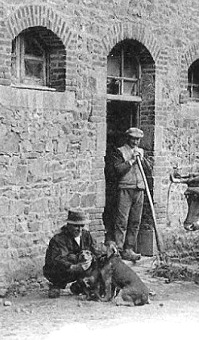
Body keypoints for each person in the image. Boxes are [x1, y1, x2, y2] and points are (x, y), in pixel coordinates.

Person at [105, 127, 153, 261]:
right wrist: (131, 161)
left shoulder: (141, 152)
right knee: (122, 220)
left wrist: (143, 160)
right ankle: (118, 249)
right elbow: (118, 170)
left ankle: (129, 248)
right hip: (125, 188)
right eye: (133, 139)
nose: (135, 142)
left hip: (139, 189)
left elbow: (149, 170)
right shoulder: (119, 151)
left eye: (138, 139)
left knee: (135, 221)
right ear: (128, 138)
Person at [43, 209, 100, 298]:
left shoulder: (86, 235)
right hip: (62, 269)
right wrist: (74, 266)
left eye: (82, 226)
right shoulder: (58, 239)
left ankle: (79, 285)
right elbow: (57, 259)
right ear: (69, 225)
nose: (79, 229)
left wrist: (91, 258)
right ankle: (56, 285)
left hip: (81, 268)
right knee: (58, 269)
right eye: (76, 226)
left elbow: (95, 251)